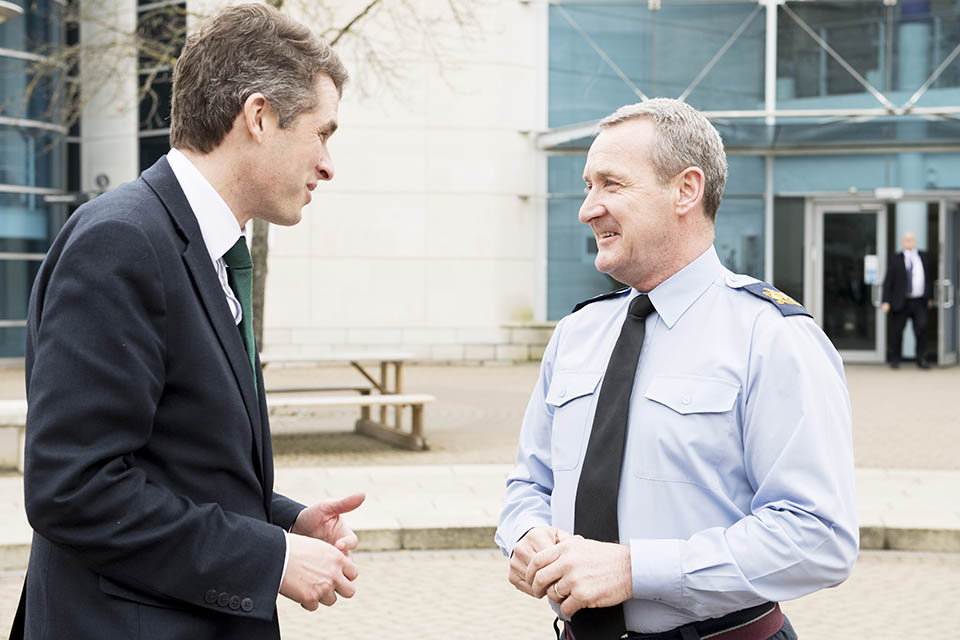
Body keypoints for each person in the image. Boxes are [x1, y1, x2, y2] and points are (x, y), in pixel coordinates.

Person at [12, 5, 363, 639]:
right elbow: (75, 488)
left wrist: (283, 521)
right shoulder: (122, 241)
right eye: (323, 133)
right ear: (258, 117)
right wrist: (270, 558)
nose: (328, 165)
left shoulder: (201, 247)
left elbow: (174, 460)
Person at [496, 99, 858, 640]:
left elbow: (819, 536)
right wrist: (524, 533)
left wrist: (635, 570)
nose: (588, 208)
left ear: (686, 190)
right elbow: (530, 481)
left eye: (611, 185)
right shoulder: (577, 333)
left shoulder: (772, 335)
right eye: (587, 186)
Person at [881, 232, 934, 369]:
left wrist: (930, 297)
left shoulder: (924, 257)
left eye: (911, 239)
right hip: (900, 301)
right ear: (902, 242)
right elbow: (889, 281)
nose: (909, 242)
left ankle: (921, 359)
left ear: (915, 241)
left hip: (919, 301)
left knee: (921, 329)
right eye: (906, 240)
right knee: (897, 331)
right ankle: (895, 359)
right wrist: (885, 301)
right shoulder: (895, 259)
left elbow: (929, 278)